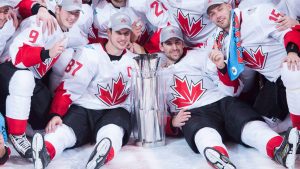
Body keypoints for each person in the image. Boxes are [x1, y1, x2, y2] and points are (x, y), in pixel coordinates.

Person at [160, 26, 299, 169]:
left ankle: (279, 149)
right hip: (192, 112)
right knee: (204, 133)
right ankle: (219, 159)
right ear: (161, 46)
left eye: (178, 42)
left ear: (183, 43)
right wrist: (171, 123)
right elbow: (151, 115)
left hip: (220, 101)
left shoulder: (200, 55)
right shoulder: (156, 73)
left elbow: (230, 89)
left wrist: (221, 67)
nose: (175, 47)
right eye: (169, 43)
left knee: (249, 124)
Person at [31, 12, 136, 169]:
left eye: (126, 33)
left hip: (115, 110)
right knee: (63, 131)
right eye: (118, 33)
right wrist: (56, 114)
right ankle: (45, 151)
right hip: (85, 108)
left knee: (113, 130)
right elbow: (69, 86)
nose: (123, 38)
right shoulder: (90, 54)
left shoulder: (133, 61)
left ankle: (101, 155)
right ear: (108, 32)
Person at [0, 0, 82, 159]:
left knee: (46, 123)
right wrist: (46, 53)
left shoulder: (65, 31)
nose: (72, 17)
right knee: (23, 78)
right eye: (68, 12)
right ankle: (17, 134)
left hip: (30, 80)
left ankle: (18, 129)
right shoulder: (42, 23)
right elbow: (18, 56)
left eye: (76, 13)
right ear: (57, 9)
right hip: (8, 71)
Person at [207, 0, 300, 132]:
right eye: (212, 14)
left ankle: (298, 129)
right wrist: (221, 67)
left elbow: (289, 31)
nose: (218, 15)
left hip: (293, 63)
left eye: (220, 9)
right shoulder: (220, 42)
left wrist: (292, 53)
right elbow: (234, 89)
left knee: (291, 69)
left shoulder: (258, 14)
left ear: (229, 6)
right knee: (263, 125)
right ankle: (293, 123)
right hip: (274, 80)